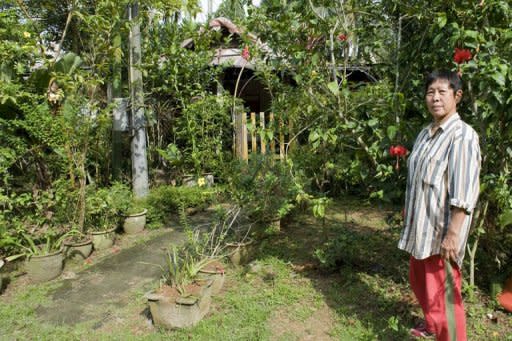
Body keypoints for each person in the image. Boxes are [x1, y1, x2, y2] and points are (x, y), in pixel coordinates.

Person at [398, 70, 481, 340]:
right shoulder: (425, 134)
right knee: (421, 283)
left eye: (442, 92)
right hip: (419, 228)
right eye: (430, 92)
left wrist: (453, 234)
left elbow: (464, 192)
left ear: (457, 96)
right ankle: (432, 325)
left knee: (444, 294)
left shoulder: (462, 136)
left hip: (440, 235)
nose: (435, 98)